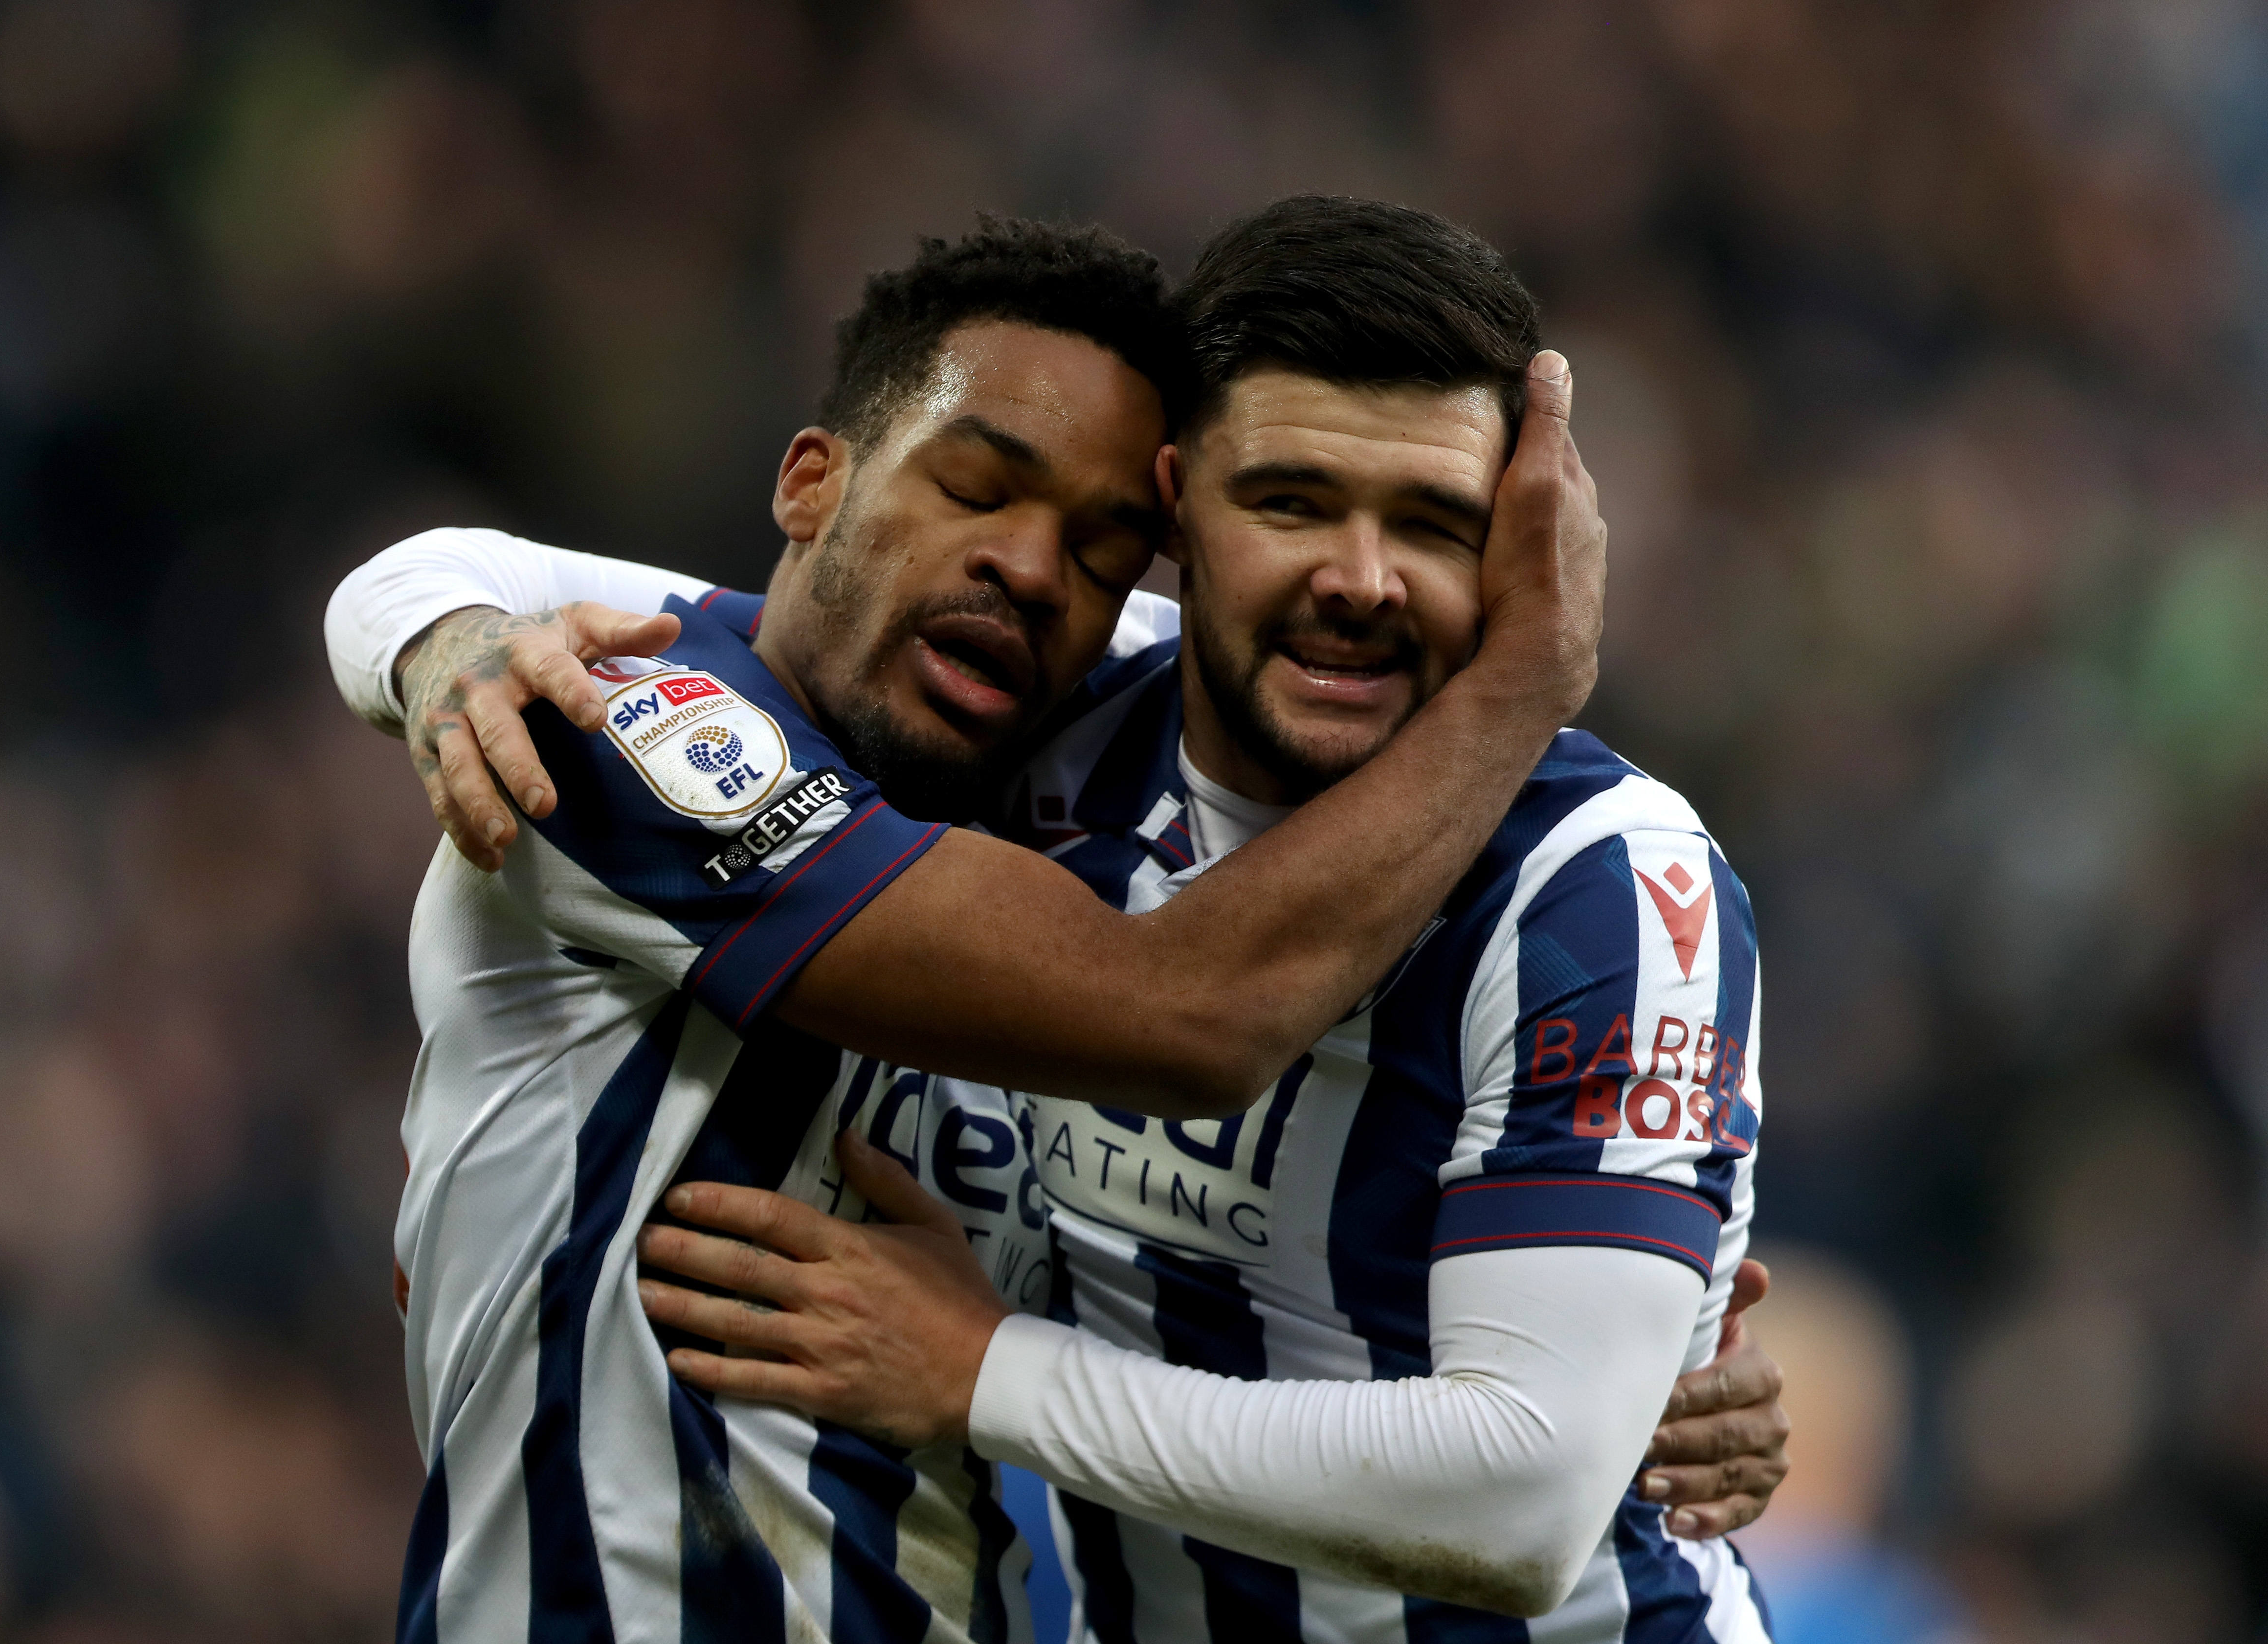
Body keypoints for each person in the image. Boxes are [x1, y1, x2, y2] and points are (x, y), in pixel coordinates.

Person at [333, 201, 1787, 1644]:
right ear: (1193, 515)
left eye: (1433, 523)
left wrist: (1608, 1357)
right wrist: (431, 630)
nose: (1357, 575)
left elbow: (1522, 1498)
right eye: (1287, 500)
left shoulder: (1601, 872)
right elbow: (1176, 1012)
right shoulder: (689, 728)